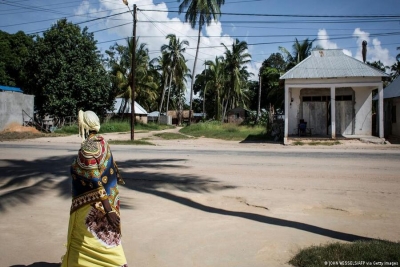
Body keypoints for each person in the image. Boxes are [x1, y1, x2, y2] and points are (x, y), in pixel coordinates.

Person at [61, 110, 128, 267]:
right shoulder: (102, 142)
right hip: (107, 200)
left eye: (80, 122)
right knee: (103, 239)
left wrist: (108, 210)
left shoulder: (88, 147)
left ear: (84, 125)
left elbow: (94, 179)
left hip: (92, 204)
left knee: (92, 240)